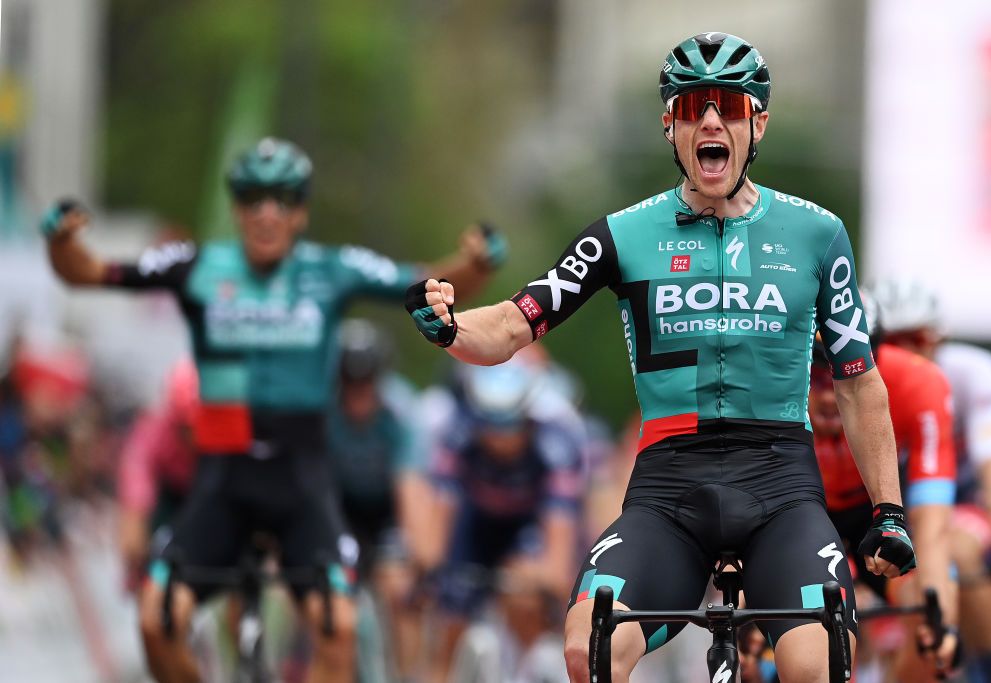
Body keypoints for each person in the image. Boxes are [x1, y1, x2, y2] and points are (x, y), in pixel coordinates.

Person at [405, 32, 916, 683]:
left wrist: (888, 512)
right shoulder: (623, 234)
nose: (710, 120)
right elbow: (513, 323)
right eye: (693, 106)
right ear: (669, 123)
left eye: (729, 107)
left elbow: (858, 382)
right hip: (670, 487)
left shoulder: (818, 233)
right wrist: (450, 328)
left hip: (781, 482)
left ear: (757, 123)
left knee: (816, 662)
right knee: (587, 644)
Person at [40, 136, 505, 683]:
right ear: (237, 209)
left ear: (301, 211)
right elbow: (87, 272)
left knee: (339, 627)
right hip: (221, 478)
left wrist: (477, 263)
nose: (266, 212)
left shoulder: (331, 269)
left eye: (282, 199)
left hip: (301, 479)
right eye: (252, 198)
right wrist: (59, 242)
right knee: (155, 618)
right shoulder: (199, 266)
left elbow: (435, 281)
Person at [871, 277, 991, 683]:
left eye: (917, 338)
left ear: (939, 338)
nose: (907, 352)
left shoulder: (973, 371)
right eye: (893, 341)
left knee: (956, 548)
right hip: (893, 510)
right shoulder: (856, 381)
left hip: (960, 501)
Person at [809, 298, 959, 680]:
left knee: (927, 619)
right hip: (802, 506)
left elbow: (932, 525)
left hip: (875, 507)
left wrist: (941, 619)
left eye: (842, 371)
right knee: (813, 633)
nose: (828, 394)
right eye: (814, 373)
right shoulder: (765, 380)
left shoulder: (917, 382)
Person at [416, 359, 585, 683]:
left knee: (527, 597)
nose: (497, 437)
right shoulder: (457, 430)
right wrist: (431, 572)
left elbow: (559, 542)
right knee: (449, 617)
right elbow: (440, 514)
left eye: (507, 424)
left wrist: (546, 584)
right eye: (488, 424)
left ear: (527, 417)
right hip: (475, 522)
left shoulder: (558, 439)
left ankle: (529, 667)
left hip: (528, 523)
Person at [327, 319, 431, 682]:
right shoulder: (322, 410)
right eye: (349, 383)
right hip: (339, 508)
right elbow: (310, 484)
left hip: (388, 509)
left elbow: (411, 488)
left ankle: (405, 675)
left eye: (367, 382)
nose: (359, 393)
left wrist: (417, 559)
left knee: (400, 590)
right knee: (319, 590)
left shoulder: (402, 413)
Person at [117, 359, 200, 593]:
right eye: (186, 429)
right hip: (167, 496)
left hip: (204, 492)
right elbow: (136, 472)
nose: (193, 439)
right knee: (152, 556)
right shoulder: (154, 429)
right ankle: (150, 583)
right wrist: (134, 522)